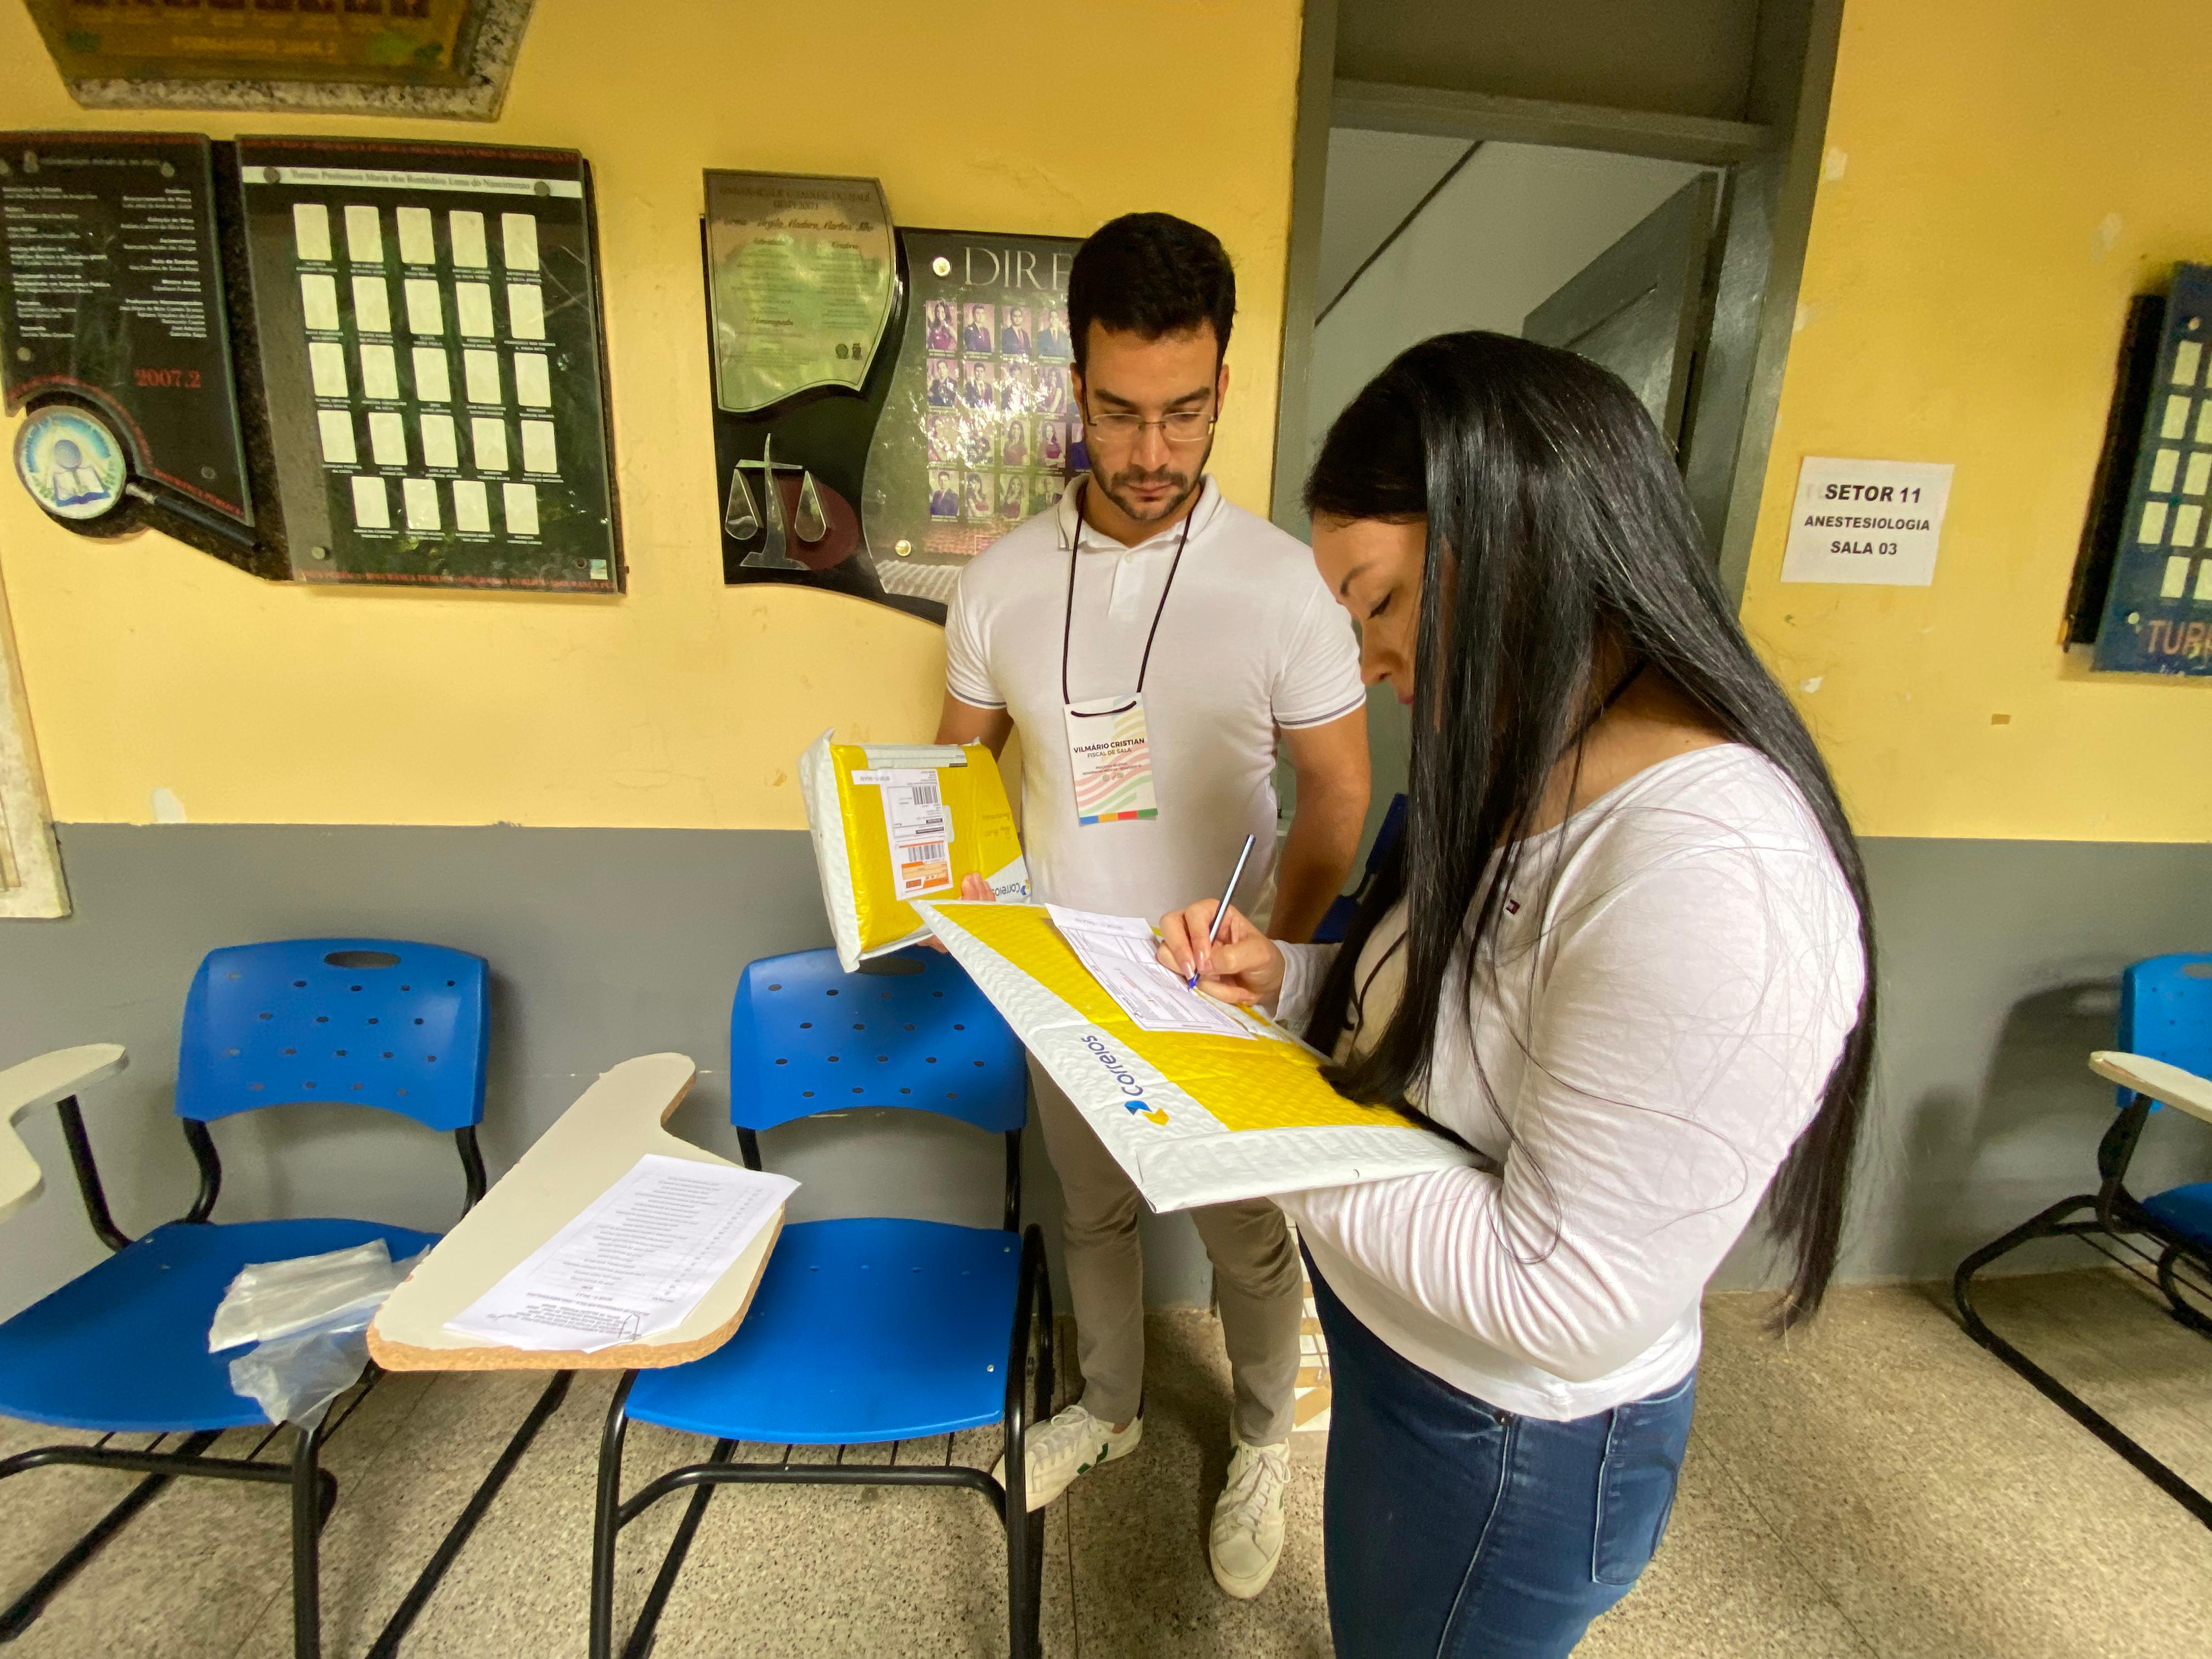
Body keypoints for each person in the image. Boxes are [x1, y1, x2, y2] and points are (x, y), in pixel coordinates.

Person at [1152, 331, 1876, 1658]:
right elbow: (1457, 1028)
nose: (1365, 661)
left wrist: (1255, 1121)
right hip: (1407, 1368)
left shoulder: (1713, 872)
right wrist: (1287, 979)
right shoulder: (1534, 748)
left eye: (1377, 601)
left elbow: (1560, 1289)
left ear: (1510, 542)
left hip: (1508, 1442)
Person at [936, 211, 1370, 1599]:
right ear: (1076, 384)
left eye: (1185, 415)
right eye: (1120, 414)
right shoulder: (999, 582)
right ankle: (1113, 1409)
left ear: (1224, 388)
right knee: (1098, 1214)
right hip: (1070, 980)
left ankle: (1262, 1440)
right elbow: (958, 779)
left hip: (1218, 985)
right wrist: (974, 902)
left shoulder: (1286, 582)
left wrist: (1265, 959)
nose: (1150, 454)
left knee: (1248, 1233)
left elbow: (1339, 798)